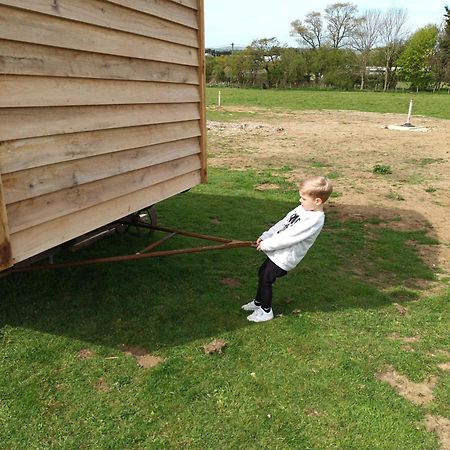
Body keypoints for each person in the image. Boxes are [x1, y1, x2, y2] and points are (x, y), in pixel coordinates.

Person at [243, 176, 333, 323]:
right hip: (277, 250)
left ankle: (266, 311)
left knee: (266, 279)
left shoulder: (314, 220)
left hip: (285, 256)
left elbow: (290, 237)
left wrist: (267, 244)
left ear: (317, 201)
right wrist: (267, 235)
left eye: (303, 198)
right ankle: (258, 303)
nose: (300, 201)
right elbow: (284, 223)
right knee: (262, 274)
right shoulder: (303, 208)